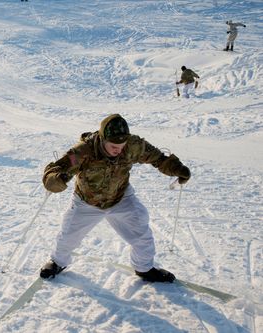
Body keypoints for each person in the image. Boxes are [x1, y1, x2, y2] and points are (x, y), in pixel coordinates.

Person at [40, 114, 191, 283]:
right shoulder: (83, 151)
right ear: (103, 139)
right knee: (68, 235)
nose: (118, 149)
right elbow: (58, 167)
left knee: (141, 229)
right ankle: (57, 262)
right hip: (87, 202)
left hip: (121, 198)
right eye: (113, 145)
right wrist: (54, 179)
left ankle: (145, 269)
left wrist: (176, 168)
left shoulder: (133, 145)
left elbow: (158, 158)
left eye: (121, 144)